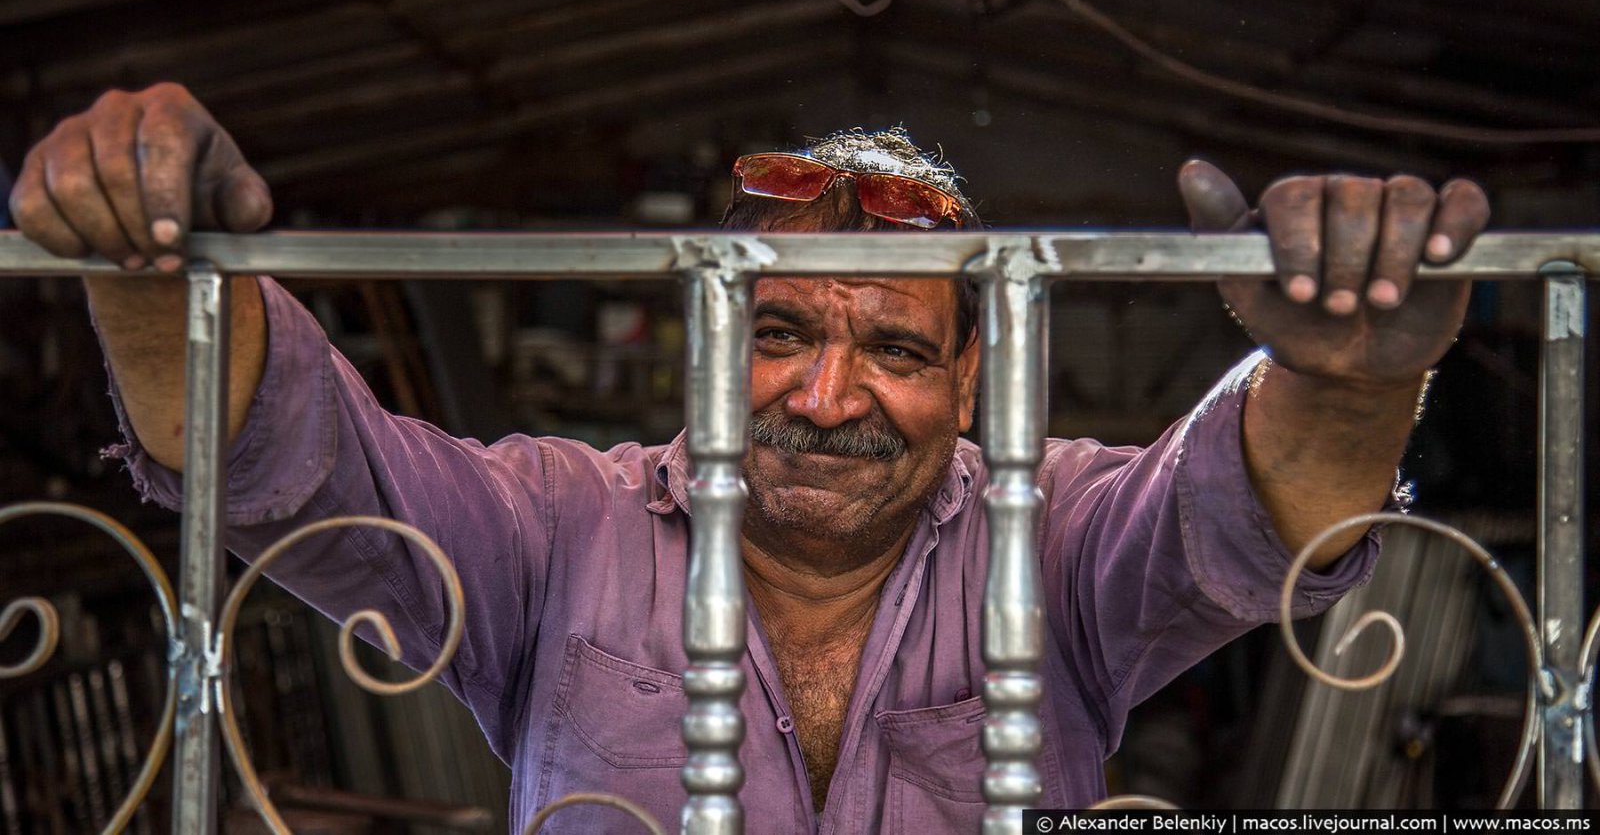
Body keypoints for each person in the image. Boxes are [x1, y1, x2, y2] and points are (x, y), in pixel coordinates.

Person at [10, 83, 1489, 832]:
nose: (827, 394)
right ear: (715, 341)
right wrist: (157, 279)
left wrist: (1352, 370)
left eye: (898, 351)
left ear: (971, 377)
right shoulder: (550, 525)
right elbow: (310, 476)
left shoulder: (1055, 536)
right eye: (782, 331)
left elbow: (1240, 508)